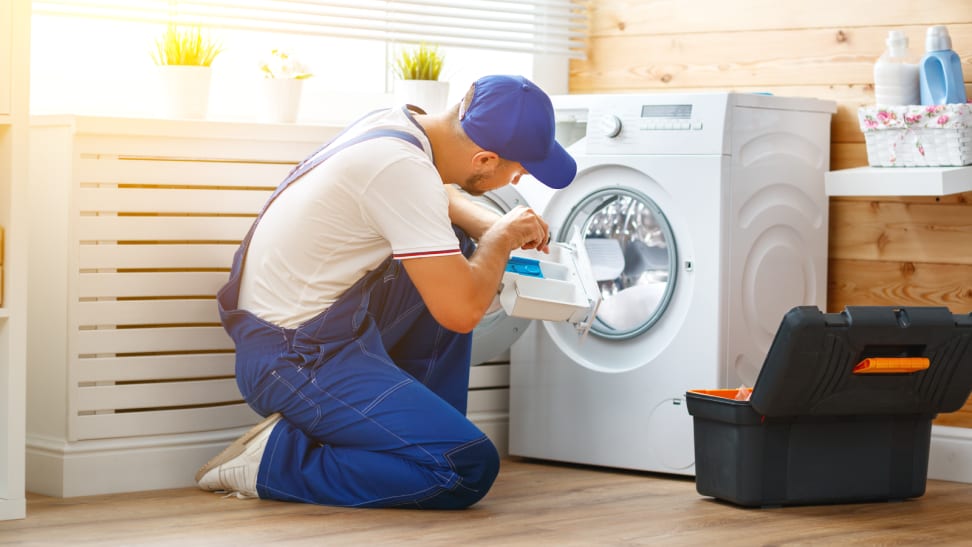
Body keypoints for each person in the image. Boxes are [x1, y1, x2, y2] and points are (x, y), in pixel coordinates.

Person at [195, 74, 576, 509]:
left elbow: (430, 198)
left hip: (321, 330)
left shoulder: (400, 127)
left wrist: (487, 224)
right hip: (293, 358)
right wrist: (500, 239)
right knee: (466, 468)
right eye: (520, 169)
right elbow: (461, 311)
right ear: (485, 159)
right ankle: (272, 463)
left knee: (456, 243)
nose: (522, 178)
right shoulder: (400, 169)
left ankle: (418, 435)